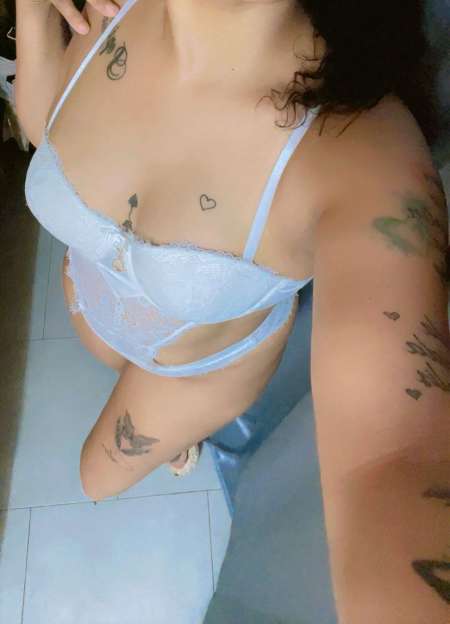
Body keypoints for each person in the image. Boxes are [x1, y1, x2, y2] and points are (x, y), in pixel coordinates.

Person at [16, 1, 450, 620]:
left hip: (194, 372)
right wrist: (34, 12)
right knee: (112, 368)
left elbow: (392, 460)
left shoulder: (361, 154)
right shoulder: (109, 7)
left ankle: (179, 436)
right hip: (93, 301)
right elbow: (47, 131)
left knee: (94, 477)